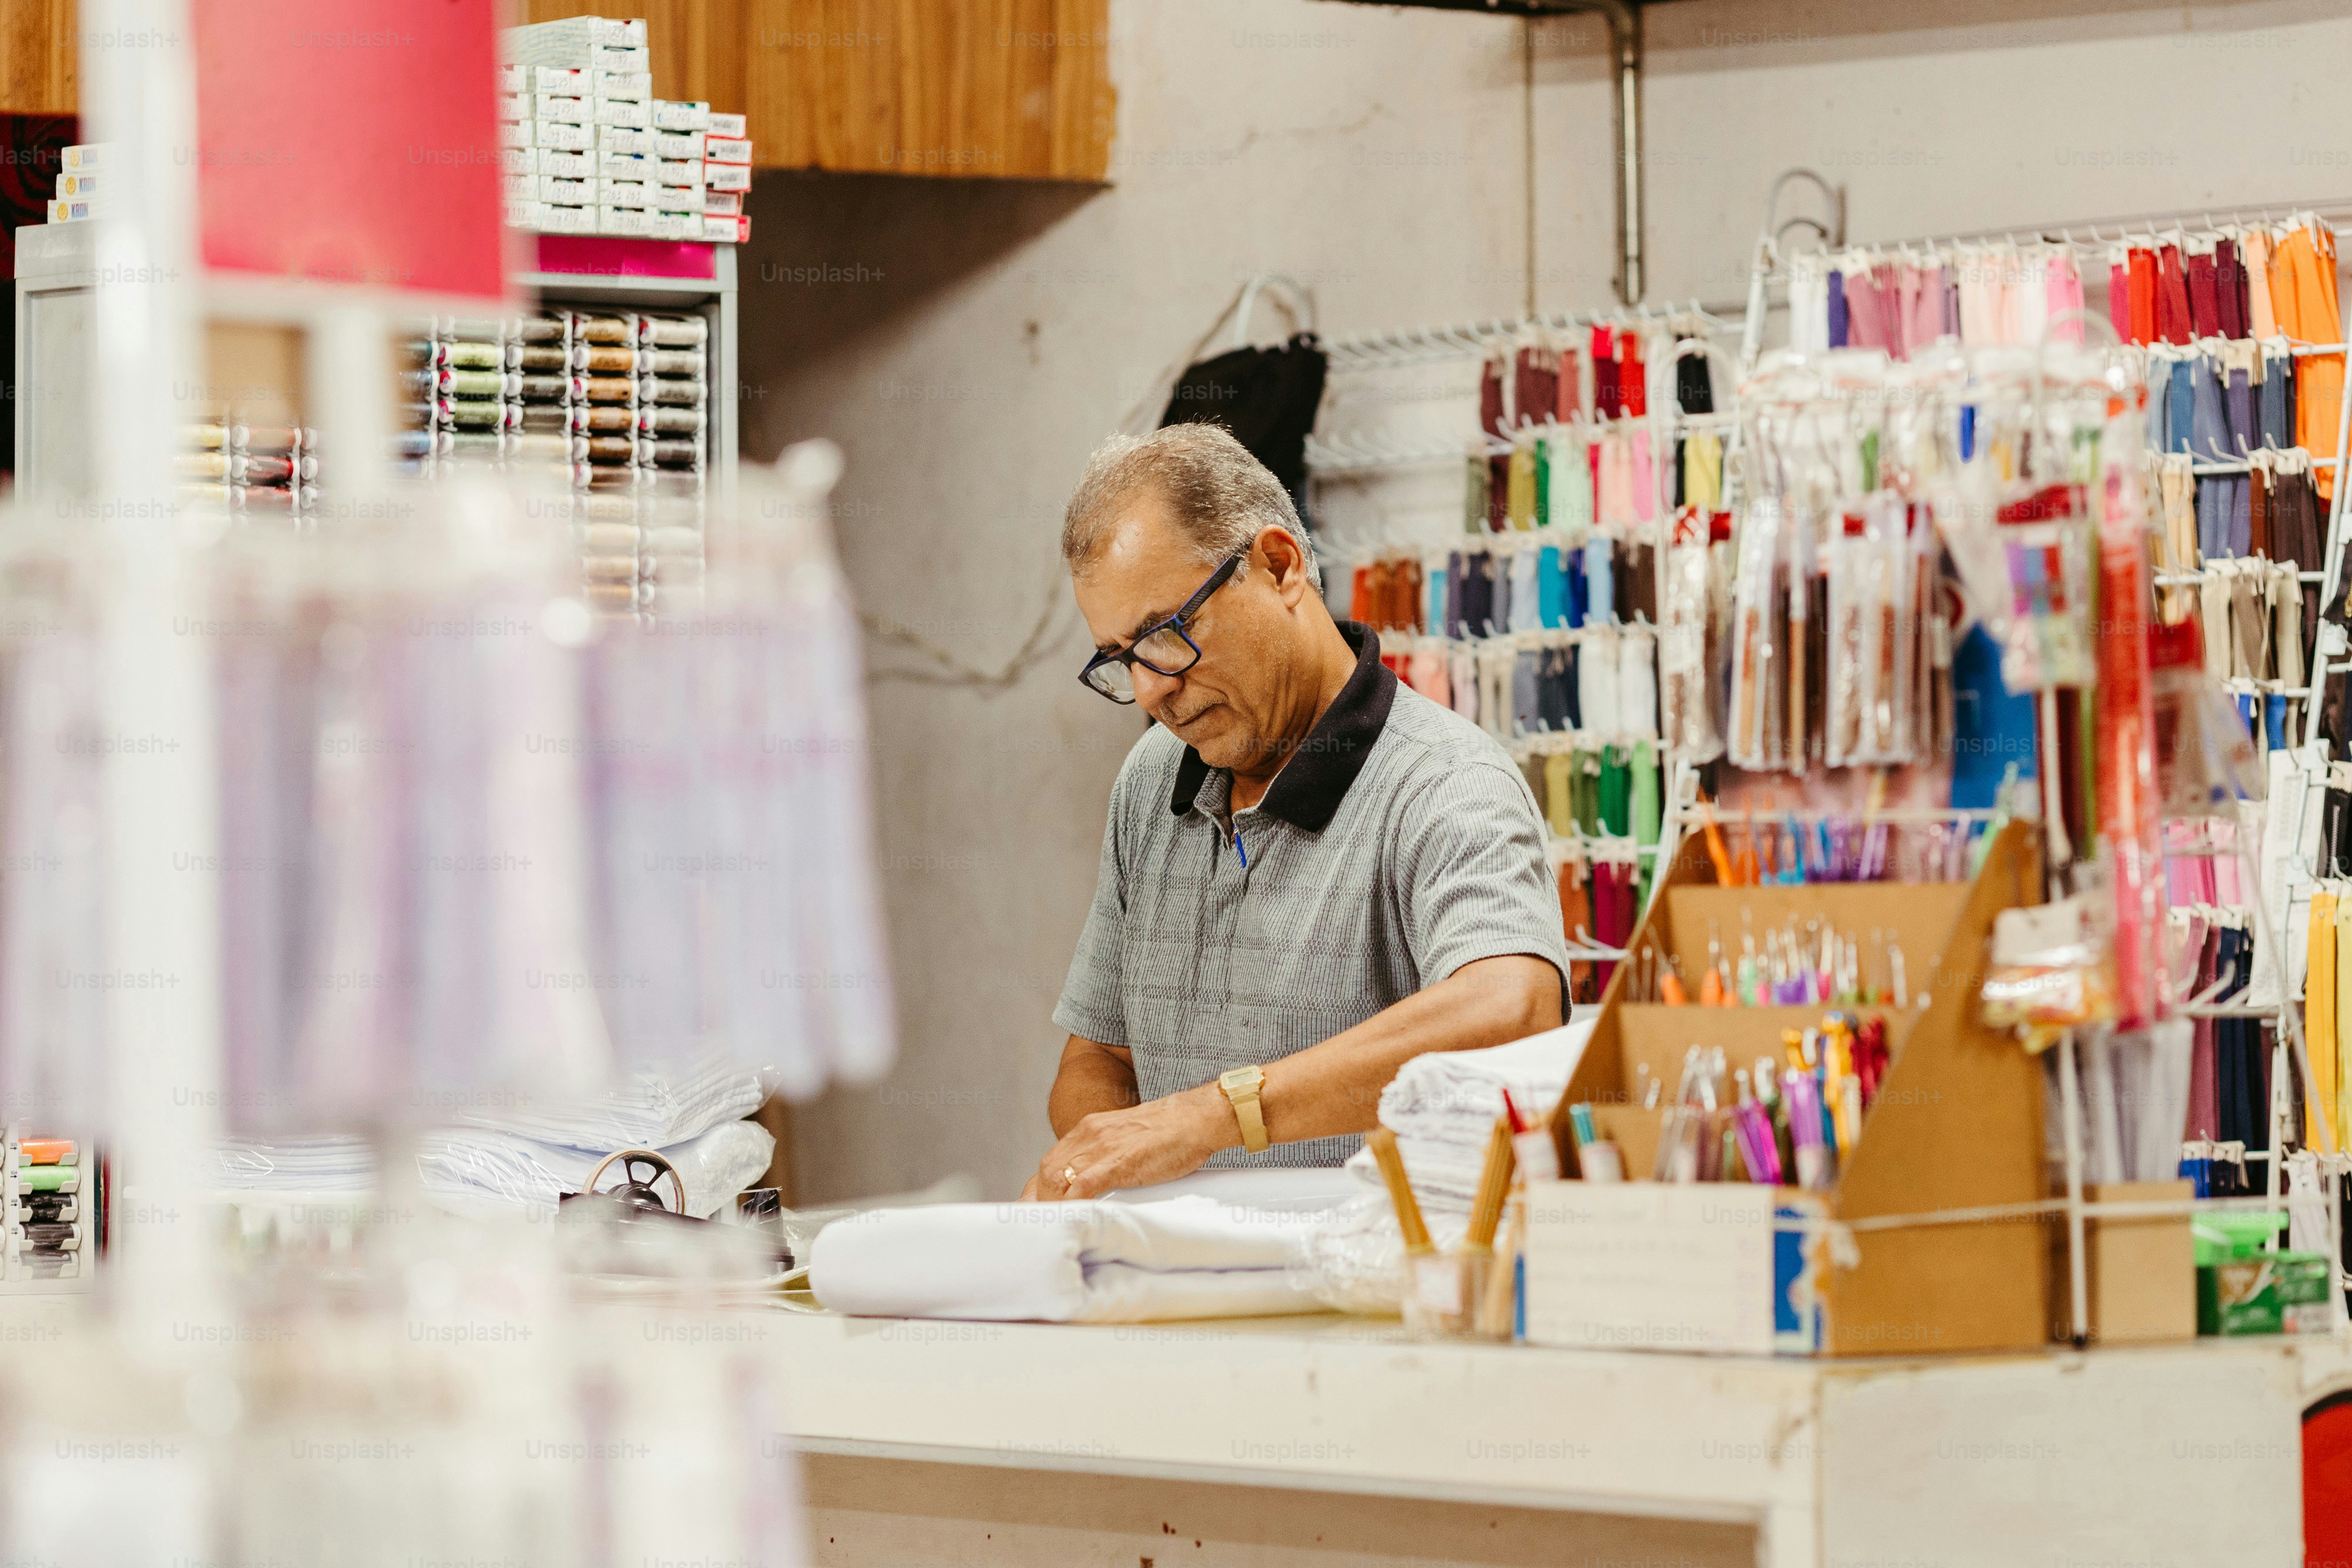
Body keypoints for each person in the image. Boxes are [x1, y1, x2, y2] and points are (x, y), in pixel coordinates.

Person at [1023, 423, 1569, 1200]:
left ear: (1280, 567)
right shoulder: (1150, 780)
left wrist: (1214, 1117)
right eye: (1121, 659)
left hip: (1363, 1263)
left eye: (1165, 634)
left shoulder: (1445, 781)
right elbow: (1100, 1058)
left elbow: (1514, 1008)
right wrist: (1106, 1172)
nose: (1150, 690)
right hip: (1175, 1263)